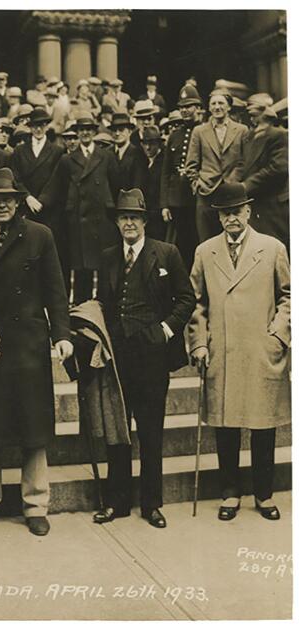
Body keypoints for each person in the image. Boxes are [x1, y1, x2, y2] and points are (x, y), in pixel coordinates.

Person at [0, 167, 71, 537]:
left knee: (33, 427)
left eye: (7, 198)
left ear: (18, 201)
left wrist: (62, 335)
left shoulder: (40, 236)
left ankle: (36, 503)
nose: (1, 205)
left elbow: (56, 291)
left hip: (28, 346)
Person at [187, 181, 290, 522]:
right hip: (223, 351)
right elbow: (196, 303)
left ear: (248, 211)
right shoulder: (205, 251)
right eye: (225, 212)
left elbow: (289, 297)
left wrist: (277, 335)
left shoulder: (272, 247)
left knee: (263, 427)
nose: (232, 218)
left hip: (260, 348)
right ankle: (230, 493)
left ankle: (263, 494)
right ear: (218, 217)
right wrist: (200, 342)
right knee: (226, 426)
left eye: (237, 211)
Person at [92, 188, 193, 528]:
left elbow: (186, 300)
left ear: (145, 221)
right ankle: (116, 503)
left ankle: (152, 504)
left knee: (151, 431)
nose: (129, 223)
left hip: (152, 356)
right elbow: (103, 302)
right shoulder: (107, 256)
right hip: (117, 357)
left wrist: (165, 330)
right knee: (118, 431)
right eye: (123, 217)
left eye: (134, 217)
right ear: (117, 222)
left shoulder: (167, 253)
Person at [39, 112, 121, 302]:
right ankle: (82, 310)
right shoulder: (68, 160)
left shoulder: (106, 156)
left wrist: (117, 211)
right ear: (77, 133)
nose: (85, 134)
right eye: (81, 130)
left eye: (88, 130)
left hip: (102, 218)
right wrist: (39, 201)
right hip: (78, 219)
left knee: (103, 265)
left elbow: (118, 184)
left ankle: (104, 307)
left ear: (94, 132)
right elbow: (54, 187)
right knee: (81, 267)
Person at [184, 89, 247, 242]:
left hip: (232, 194)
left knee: (233, 238)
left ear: (229, 107)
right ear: (209, 107)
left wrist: (234, 182)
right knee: (206, 240)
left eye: (221, 103)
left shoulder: (241, 130)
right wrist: (197, 183)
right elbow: (191, 164)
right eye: (213, 103)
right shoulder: (199, 131)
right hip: (206, 194)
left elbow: (245, 161)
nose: (217, 107)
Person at [9, 108, 66, 250]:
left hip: (49, 209)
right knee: (26, 247)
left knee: (47, 246)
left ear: (47, 126)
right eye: (35, 125)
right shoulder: (19, 151)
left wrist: (42, 201)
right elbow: (15, 177)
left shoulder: (57, 151)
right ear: (30, 127)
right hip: (26, 207)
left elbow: (56, 180)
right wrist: (27, 197)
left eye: (42, 125)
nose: (39, 129)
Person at [160, 85, 202, 269]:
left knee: (198, 241)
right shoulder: (174, 136)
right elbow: (166, 172)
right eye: (182, 107)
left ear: (198, 108)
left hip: (197, 197)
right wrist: (165, 204)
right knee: (181, 244)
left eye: (189, 106)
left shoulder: (203, 131)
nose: (185, 110)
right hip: (177, 200)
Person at [240, 106, 289, 249]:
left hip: (273, 202)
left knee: (276, 245)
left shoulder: (279, 135)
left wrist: (246, 185)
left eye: (255, 116)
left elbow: (278, 168)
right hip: (254, 202)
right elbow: (242, 164)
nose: (252, 119)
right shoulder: (249, 137)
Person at [111, 113, 148, 192]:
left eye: (121, 130)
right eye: (114, 130)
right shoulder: (106, 153)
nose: (117, 133)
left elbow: (138, 185)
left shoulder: (138, 154)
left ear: (130, 131)